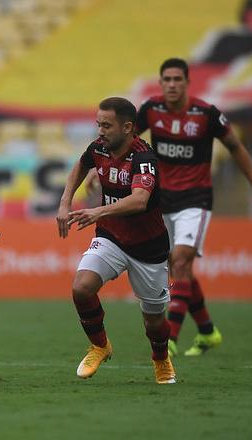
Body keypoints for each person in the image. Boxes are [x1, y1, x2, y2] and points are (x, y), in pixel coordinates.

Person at [136, 58, 252, 356]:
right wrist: (96, 170)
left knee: (181, 262)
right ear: (161, 83)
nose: (171, 84)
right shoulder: (151, 110)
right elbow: (124, 140)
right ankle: (208, 331)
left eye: (177, 79)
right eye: (166, 79)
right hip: (162, 200)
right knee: (178, 268)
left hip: (195, 200)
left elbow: (235, 147)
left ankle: (169, 338)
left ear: (187, 82)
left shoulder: (206, 114)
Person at [57, 97, 176, 384]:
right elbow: (81, 165)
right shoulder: (99, 147)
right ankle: (100, 346)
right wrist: (64, 203)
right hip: (111, 237)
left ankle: (160, 359)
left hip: (148, 247)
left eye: (106, 125)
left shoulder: (143, 158)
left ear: (127, 128)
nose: (100, 130)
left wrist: (98, 210)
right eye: (98, 124)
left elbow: (139, 200)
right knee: (82, 288)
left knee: (154, 321)